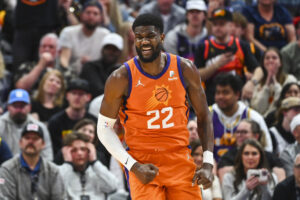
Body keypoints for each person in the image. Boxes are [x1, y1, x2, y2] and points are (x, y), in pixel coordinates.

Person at [97, 13, 214, 199]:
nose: (144, 42)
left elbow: (204, 116)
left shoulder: (185, 69)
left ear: (161, 37)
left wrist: (208, 163)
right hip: (143, 164)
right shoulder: (120, 78)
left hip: (180, 161)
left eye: (150, 36)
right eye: (139, 37)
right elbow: (103, 129)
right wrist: (133, 166)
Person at [194, 8, 260, 105]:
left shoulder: (241, 45)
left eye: (222, 24)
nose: (218, 27)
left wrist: (252, 83)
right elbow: (196, 76)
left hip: (238, 100)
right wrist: (216, 65)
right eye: (215, 24)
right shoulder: (203, 47)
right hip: (212, 101)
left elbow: (259, 70)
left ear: (230, 26)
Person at [210, 73, 272, 162]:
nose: (220, 96)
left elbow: (267, 148)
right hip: (213, 170)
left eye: (225, 92)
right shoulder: (207, 115)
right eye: (218, 93)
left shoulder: (253, 117)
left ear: (237, 94)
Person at [0, 122, 66, 199]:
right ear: (20, 142)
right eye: (27, 138)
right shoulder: (7, 169)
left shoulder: (53, 171)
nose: (31, 141)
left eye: (35, 138)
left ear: (43, 144)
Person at [217, 119, 285, 183]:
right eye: (237, 132)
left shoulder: (270, 157)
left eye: (244, 132)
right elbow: (224, 177)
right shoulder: (228, 156)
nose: (239, 135)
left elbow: (281, 179)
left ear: (256, 136)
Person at [59, 132, 121, 200]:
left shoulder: (98, 172)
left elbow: (114, 187)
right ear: (66, 153)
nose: (79, 153)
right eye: (74, 150)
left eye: (83, 149)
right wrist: (68, 163)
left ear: (89, 151)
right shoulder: (61, 172)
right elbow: (56, 189)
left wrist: (95, 162)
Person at [59, 0, 110, 75]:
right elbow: (64, 59)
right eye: (88, 12)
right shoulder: (68, 32)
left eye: (95, 14)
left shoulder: (105, 35)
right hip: (72, 74)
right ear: (82, 15)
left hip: (96, 75)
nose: (91, 16)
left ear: (100, 17)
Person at [0, 89, 53, 160]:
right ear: (8, 107)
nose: (19, 110)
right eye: (15, 106)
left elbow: (48, 157)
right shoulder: (1, 124)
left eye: (22, 106)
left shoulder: (40, 127)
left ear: (30, 107)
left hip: (33, 169)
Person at [48, 78, 95, 156]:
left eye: (81, 94)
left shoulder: (95, 122)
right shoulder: (55, 122)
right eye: (74, 93)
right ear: (67, 96)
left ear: (88, 97)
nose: (77, 97)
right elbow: (53, 151)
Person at [250, 47, 297, 117]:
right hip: (262, 119)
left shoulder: (290, 79)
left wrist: (274, 81)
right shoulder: (258, 83)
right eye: (267, 58)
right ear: (263, 63)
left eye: (274, 58)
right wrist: (267, 83)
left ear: (280, 63)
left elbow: (283, 103)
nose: (270, 60)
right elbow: (258, 108)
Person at [80, 33, 123, 98]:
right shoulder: (90, 67)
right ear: (102, 49)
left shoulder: (124, 71)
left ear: (120, 52)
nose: (111, 52)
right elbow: (98, 90)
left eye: (114, 50)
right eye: (108, 48)